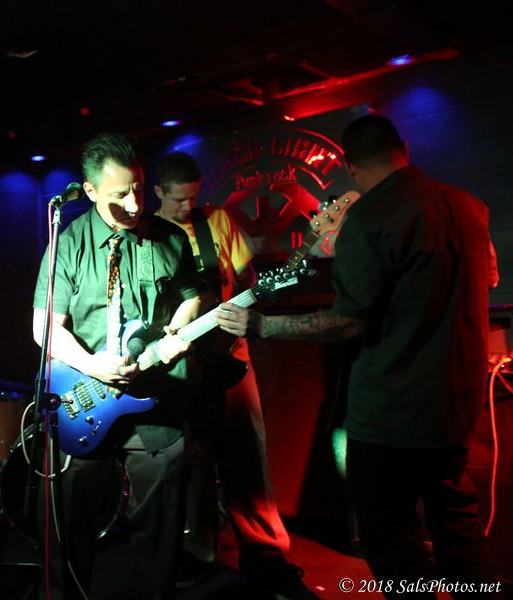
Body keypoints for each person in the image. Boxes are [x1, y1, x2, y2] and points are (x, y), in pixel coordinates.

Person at [214, 115, 500, 597]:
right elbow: (490, 278)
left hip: (390, 412)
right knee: (457, 525)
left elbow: (347, 323)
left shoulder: (369, 219)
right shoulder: (470, 206)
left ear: (349, 165)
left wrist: (262, 325)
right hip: (456, 401)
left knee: (393, 539)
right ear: (404, 147)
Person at [32, 133, 202, 599]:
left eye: (139, 189)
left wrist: (179, 331)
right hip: (86, 399)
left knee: (160, 528)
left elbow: (193, 298)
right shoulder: (68, 243)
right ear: (89, 191)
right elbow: (44, 328)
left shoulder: (169, 237)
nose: (133, 204)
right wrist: (92, 365)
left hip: (157, 400)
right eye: (119, 194)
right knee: (69, 526)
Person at [154, 151, 317, 598]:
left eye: (193, 198)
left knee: (247, 451)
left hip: (229, 354)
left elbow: (247, 278)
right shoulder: (148, 235)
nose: (187, 207)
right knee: (191, 461)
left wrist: (257, 298)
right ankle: (198, 549)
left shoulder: (218, 221)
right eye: (178, 200)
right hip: (179, 365)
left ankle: (265, 552)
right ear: (158, 193)